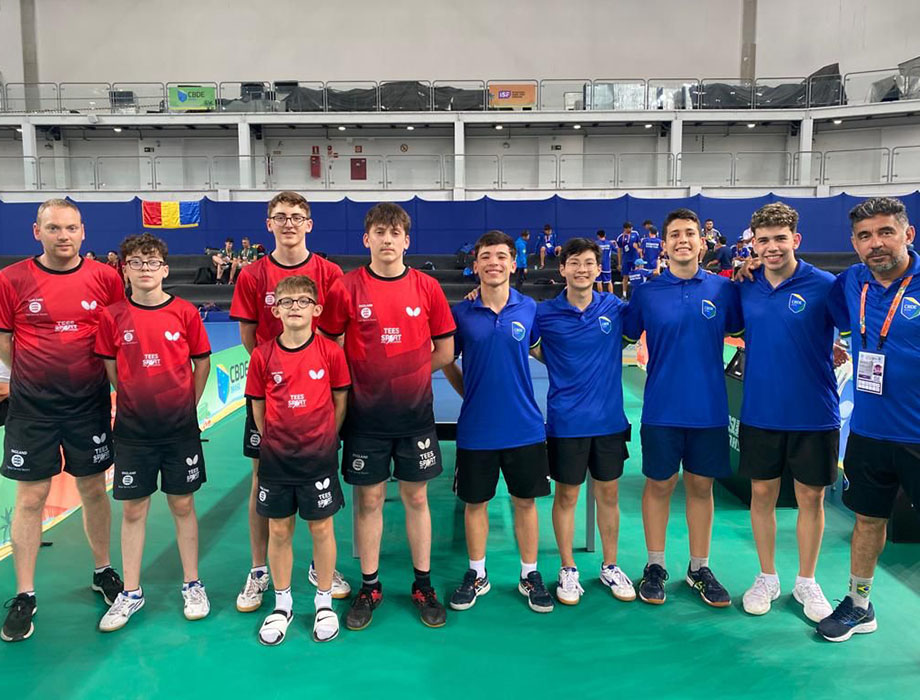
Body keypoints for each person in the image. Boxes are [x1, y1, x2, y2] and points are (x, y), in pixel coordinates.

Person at [0, 199, 125, 643]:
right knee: (31, 496)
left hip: (88, 404)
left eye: (71, 228)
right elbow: (5, 341)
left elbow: (116, 335)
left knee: (93, 488)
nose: (63, 236)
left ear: (83, 231)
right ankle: (25, 594)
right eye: (53, 228)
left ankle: (103, 570)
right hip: (32, 408)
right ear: (37, 232)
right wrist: (34, 374)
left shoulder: (106, 278)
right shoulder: (12, 280)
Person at [229, 191, 351, 615]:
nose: (288, 224)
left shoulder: (329, 273)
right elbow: (250, 339)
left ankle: (321, 568)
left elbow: (336, 333)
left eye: (297, 217)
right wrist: (277, 375)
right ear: (269, 224)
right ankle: (260, 569)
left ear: (309, 224)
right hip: (273, 393)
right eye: (280, 217)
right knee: (261, 478)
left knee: (320, 485)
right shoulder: (252, 275)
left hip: (317, 394)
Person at [337, 202, 455, 631]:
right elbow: (332, 347)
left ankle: (423, 584)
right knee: (368, 501)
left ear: (407, 241)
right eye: (379, 233)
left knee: (417, 498)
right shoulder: (346, 288)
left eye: (394, 233)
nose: (387, 240)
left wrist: (407, 373)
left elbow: (445, 350)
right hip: (365, 418)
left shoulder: (427, 287)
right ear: (366, 239)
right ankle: (370, 586)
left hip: (414, 416)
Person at [623, 208, 743, 609]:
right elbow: (616, 334)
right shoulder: (646, 293)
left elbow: (754, 328)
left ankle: (699, 568)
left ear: (702, 242)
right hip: (661, 408)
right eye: (674, 234)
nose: (682, 240)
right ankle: (655, 565)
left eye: (689, 233)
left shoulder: (724, 290)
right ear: (664, 244)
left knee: (701, 487)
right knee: (659, 485)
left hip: (709, 409)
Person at [94, 234, 212, 632]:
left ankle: (192, 584)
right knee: (133, 510)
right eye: (136, 262)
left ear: (165, 269)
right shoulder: (112, 316)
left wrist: (186, 406)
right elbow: (112, 367)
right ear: (124, 269)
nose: (145, 269)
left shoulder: (184, 312)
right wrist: (131, 398)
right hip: (133, 431)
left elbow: (201, 363)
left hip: (179, 431)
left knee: (183, 505)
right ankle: (130, 592)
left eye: (152, 263)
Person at [818, 196, 920, 642]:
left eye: (885, 232)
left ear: (907, 234)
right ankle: (859, 605)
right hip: (868, 432)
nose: (875, 243)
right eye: (865, 236)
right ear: (854, 243)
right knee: (867, 520)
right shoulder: (851, 282)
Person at [734, 203, 838, 624]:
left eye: (780, 238)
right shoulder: (745, 285)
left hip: (814, 412)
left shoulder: (825, 285)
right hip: (761, 411)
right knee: (762, 495)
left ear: (796, 239)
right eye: (764, 240)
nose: (772, 247)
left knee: (811, 497)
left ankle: (807, 581)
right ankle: (767, 577)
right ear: (753, 245)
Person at [443, 230, 553, 614]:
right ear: (475, 265)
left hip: (524, 426)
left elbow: (541, 353)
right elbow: (446, 359)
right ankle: (477, 573)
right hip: (477, 429)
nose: (494, 262)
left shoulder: (529, 308)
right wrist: (468, 392)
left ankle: (529, 573)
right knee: (475, 503)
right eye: (486, 256)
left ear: (514, 263)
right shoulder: (461, 313)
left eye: (501, 256)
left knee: (525, 502)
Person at [245, 275, 350, 645]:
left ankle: (324, 602)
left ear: (316, 309)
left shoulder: (331, 353)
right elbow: (258, 407)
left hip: (318, 457)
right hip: (277, 459)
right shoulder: (262, 355)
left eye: (303, 301)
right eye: (286, 302)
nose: (295, 307)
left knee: (321, 528)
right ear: (275, 310)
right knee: (278, 530)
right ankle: (283, 604)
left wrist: (324, 438)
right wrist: (275, 440)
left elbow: (339, 402)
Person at [534, 238, 635, 605]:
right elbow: (533, 347)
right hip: (566, 421)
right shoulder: (544, 313)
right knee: (567, 495)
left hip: (609, 421)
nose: (582, 269)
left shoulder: (615, 307)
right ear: (562, 268)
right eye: (574, 262)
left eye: (589, 262)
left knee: (609, 494)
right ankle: (568, 568)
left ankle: (610, 566)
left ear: (598, 268)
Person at [616, 222, 641, 299]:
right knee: (625, 277)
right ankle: (624, 294)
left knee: (637, 276)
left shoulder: (635, 234)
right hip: (626, 259)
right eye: (629, 228)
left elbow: (639, 246)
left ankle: (637, 294)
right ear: (625, 228)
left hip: (635, 259)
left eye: (631, 227)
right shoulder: (620, 237)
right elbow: (619, 251)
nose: (630, 229)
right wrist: (619, 263)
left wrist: (641, 258)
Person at [595, 229, 614, 293]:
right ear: (605, 235)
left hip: (598, 265)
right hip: (607, 265)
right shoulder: (609, 243)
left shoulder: (596, 244)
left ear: (598, 236)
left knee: (599, 281)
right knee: (609, 281)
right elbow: (616, 249)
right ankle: (611, 296)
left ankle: (601, 296)